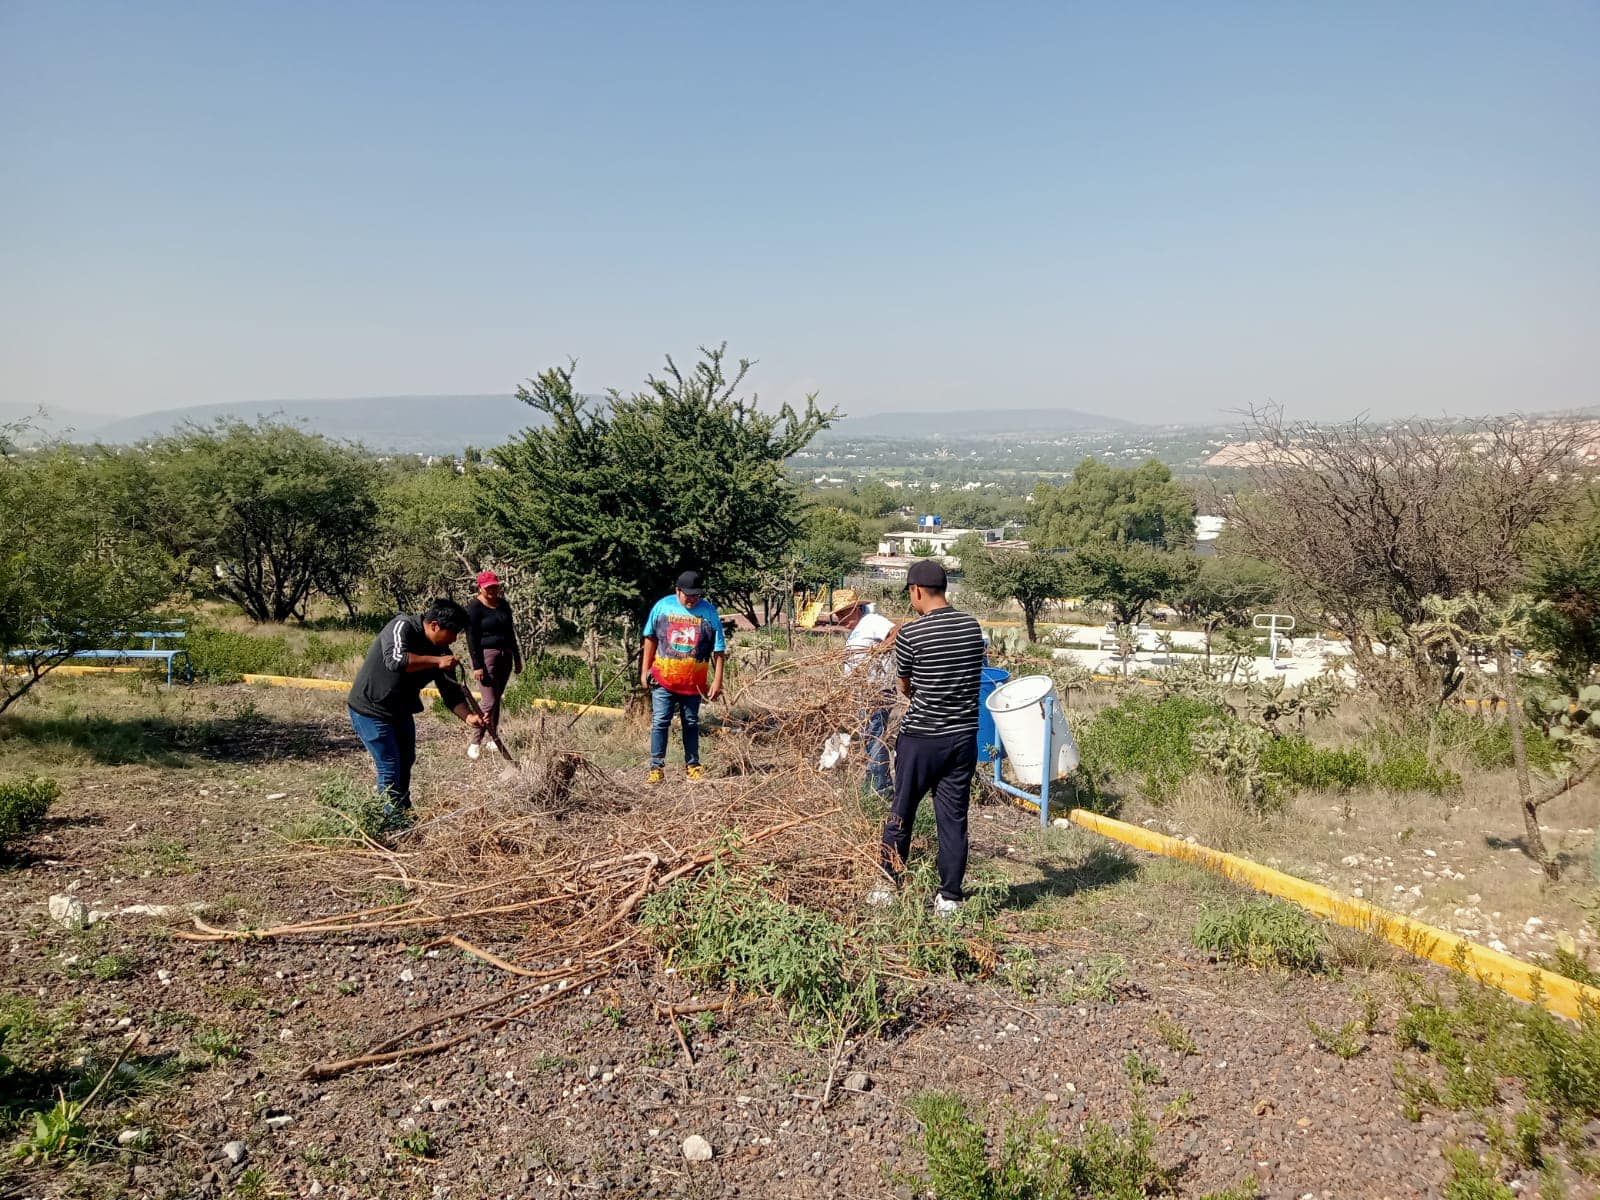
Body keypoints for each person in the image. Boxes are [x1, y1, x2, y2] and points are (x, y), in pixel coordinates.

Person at [877, 559, 986, 914]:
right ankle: (950, 897)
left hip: (922, 737)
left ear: (917, 591)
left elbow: (905, 685)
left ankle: (889, 884)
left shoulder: (911, 634)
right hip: (963, 737)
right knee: (953, 818)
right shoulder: (972, 627)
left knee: (902, 810)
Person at [347, 599, 486, 831]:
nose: (454, 639)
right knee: (389, 766)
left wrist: (469, 718)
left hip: (400, 711)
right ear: (434, 626)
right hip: (370, 710)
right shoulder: (402, 626)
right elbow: (396, 660)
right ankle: (393, 825)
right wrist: (437, 661)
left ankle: (403, 812)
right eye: (452, 633)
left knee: (405, 762)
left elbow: (450, 692)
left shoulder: (442, 651)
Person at [640, 570, 726, 784]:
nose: (692, 599)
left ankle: (693, 766)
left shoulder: (709, 612)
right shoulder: (662, 607)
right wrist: (645, 670)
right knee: (660, 722)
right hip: (663, 679)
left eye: (696, 595)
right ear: (677, 591)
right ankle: (656, 768)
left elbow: (719, 649)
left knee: (690, 722)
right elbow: (649, 638)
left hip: (693, 684)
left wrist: (717, 680)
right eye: (688, 595)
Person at [833, 598, 898, 799]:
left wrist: (881, 649)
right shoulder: (855, 631)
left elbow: (898, 631)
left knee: (874, 735)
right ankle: (871, 784)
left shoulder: (872, 621)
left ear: (856, 609)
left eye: (844, 615)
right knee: (868, 737)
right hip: (862, 692)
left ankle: (881, 789)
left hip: (877, 690)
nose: (841, 620)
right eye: (838, 617)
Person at [465, 569, 523, 760]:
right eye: (488, 587)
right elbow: (471, 637)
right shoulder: (474, 608)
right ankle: (475, 741)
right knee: (488, 700)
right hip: (486, 655)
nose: (492, 590)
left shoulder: (503, 605)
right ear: (480, 588)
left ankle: (493, 736)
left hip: (505, 654)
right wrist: (477, 665)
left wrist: (516, 657)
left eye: (495, 586)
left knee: (497, 697)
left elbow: (510, 633)